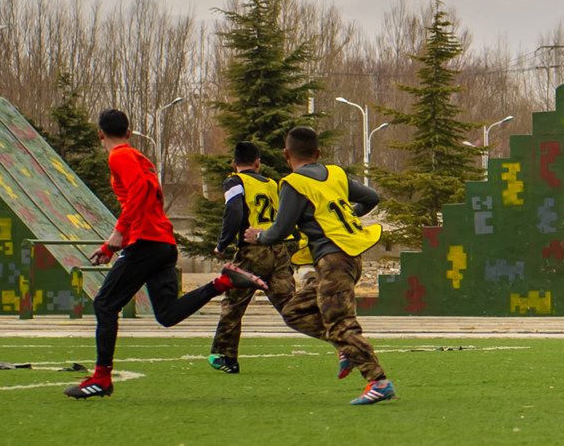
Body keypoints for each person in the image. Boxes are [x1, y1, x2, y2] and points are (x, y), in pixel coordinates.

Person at [64, 109, 267, 399]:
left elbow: (142, 191)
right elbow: (147, 189)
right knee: (168, 315)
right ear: (129, 131)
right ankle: (222, 283)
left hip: (145, 242)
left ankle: (101, 379)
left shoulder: (119, 156)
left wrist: (116, 237)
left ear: (100, 133)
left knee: (105, 305)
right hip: (162, 243)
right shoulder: (140, 158)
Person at [244, 126, 394, 406]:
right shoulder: (335, 173)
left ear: (286, 154)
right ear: (319, 153)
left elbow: (280, 230)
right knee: (294, 311)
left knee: (340, 325)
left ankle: (378, 381)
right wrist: (348, 218)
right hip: (346, 258)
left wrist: (258, 236)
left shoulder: (293, 183)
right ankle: (346, 349)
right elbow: (371, 198)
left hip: (333, 261)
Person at [208, 142, 298, 373]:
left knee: (233, 303)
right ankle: (339, 338)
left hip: (252, 252)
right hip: (277, 250)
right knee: (292, 307)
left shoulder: (235, 181)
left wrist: (223, 243)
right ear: (258, 163)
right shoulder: (272, 184)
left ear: (234, 163)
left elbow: (235, 210)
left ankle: (225, 357)